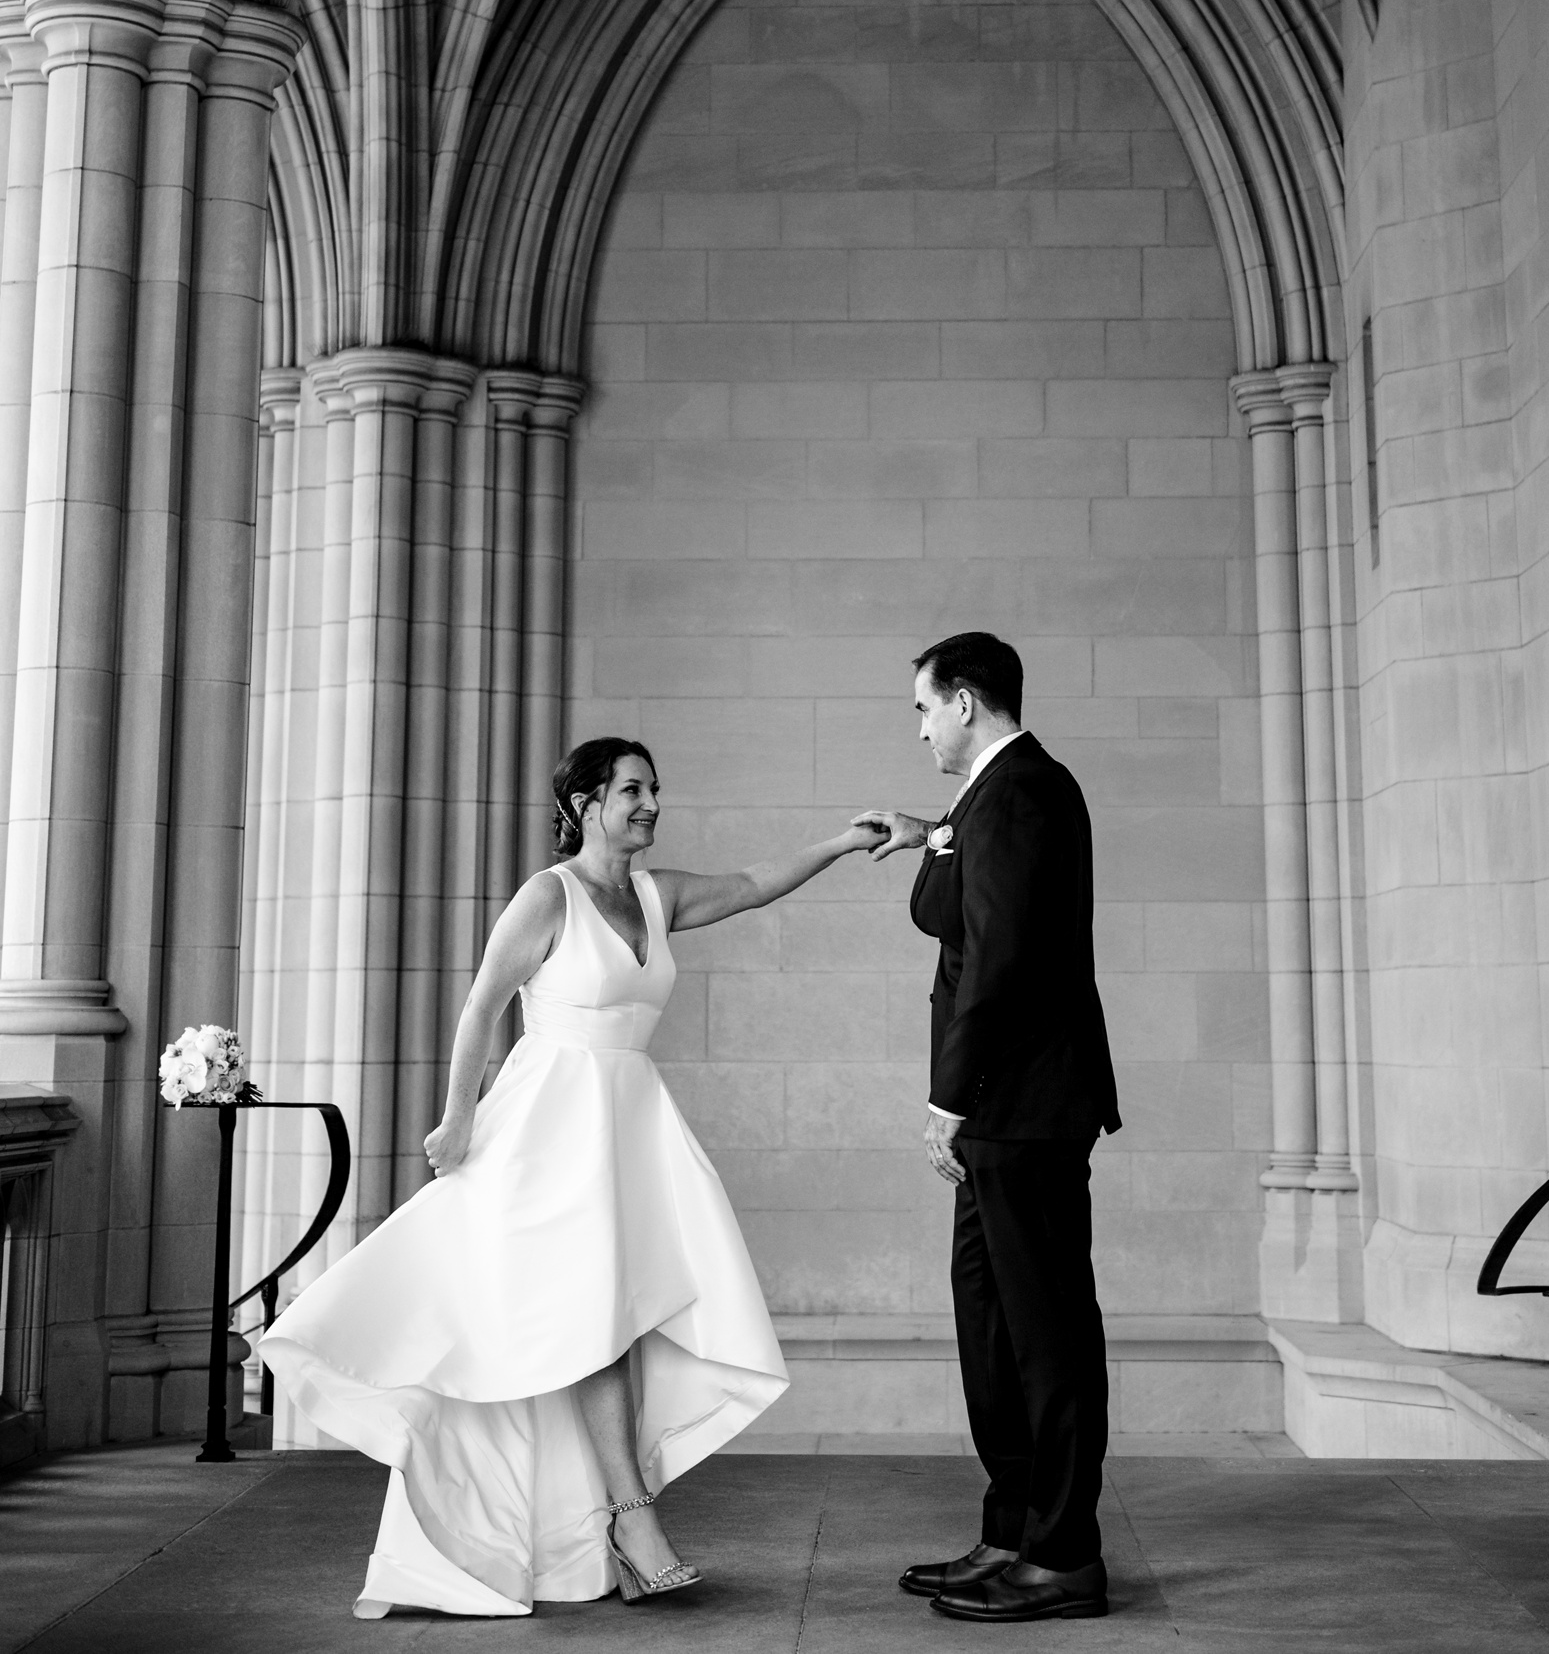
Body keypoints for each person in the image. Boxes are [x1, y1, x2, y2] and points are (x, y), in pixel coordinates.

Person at [262, 737, 893, 1616]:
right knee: (589, 1314)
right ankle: (632, 1525)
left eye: (655, 790)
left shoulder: (654, 893)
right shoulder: (546, 896)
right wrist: (458, 1116)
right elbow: (482, 1005)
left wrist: (842, 841)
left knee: (616, 1317)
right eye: (632, 789)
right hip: (549, 1128)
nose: (650, 804)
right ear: (585, 802)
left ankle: (602, 1530)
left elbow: (749, 884)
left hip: (629, 1125)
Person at [863, 632, 1120, 1624]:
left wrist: (949, 1094)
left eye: (924, 707)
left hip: (1023, 1106)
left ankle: (1063, 1555)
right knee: (992, 1325)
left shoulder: (1023, 791)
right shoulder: (989, 801)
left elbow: (1002, 958)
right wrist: (930, 829)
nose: (920, 725)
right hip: (1001, 1116)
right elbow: (951, 901)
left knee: (1045, 1335)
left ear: (965, 700)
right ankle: (1012, 1527)